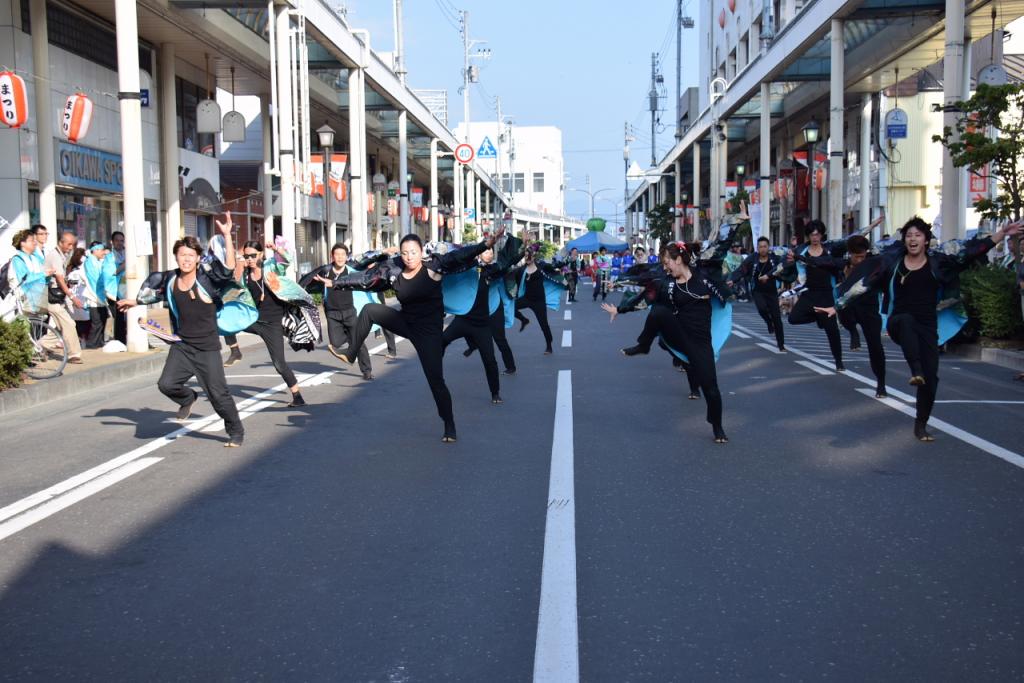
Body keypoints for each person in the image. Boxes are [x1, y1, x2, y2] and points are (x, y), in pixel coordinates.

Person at [818, 217, 1022, 441]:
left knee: (931, 380)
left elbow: (970, 252)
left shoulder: (938, 262)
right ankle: (915, 370)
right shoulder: (892, 263)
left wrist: (1001, 234)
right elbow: (864, 285)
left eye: (917, 235)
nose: (912, 239)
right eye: (909, 236)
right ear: (904, 240)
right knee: (906, 321)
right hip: (898, 322)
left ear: (926, 240)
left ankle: (921, 424)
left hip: (927, 325)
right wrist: (837, 306)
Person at [330, 230, 504, 443]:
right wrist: (337, 283)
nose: (409, 256)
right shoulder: (394, 270)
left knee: (435, 381)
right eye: (404, 253)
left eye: (413, 252)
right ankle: (351, 353)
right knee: (369, 309)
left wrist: (485, 244)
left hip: (428, 335)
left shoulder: (435, 266)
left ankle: (449, 425)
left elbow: (461, 256)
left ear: (421, 252)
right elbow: (366, 278)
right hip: (405, 323)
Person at [117, 214, 245, 447]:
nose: (186, 259)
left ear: (198, 258)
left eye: (190, 255)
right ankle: (188, 397)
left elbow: (228, 268)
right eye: (182, 255)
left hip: (207, 348)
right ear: (176, 256)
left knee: (219, 394)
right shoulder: (170, 279)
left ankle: (235, 431)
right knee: (166, 384)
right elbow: (154, 294)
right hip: (182, 345)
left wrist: (227, 235)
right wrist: (134, 302)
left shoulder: (207, 278)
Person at [603, 241, 731, 443]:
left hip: (700, 342)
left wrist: (737, 221)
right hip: (679, 333)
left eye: (667, 263)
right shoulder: (667, 283)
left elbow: (720, 248)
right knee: (659, 312)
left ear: (679, 259)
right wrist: (620, 310)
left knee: (711, 388)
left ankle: (717, 426)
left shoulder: (703, 276)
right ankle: (644, 346)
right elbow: (645, 296)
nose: (665, 267)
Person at [441, 233, 522, 404]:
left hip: (482, 325)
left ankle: (495, 393)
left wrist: (522, 250)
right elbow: (453, 262)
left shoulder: (488, 272)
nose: (489, 253)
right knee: (441, 342)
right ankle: (435, 376)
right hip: (463, 320)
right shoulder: (462, 272)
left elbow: (507, 262)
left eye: (490, 251)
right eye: (485, 251)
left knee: (490, 360)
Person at [229, 240, 307, 406]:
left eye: (252, 255)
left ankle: (297, 396)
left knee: (279, 363)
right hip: (254, 320)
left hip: (273, 324)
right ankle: (235, 351)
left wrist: (277, 249)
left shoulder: (270, 267)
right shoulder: (245, 275)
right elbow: (234, 286)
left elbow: (287, 260)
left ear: (261, 255)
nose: (249, 259)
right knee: (227, 323)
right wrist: (238, 266)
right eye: (246, 256)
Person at [304, 243, 376, 380]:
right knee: (335, 343)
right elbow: (309, 282)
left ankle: (367, 371)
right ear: (332, 256)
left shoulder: (351, 271)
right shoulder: (325, 271)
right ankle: (350, 341)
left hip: (350, 312)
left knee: (358, 342)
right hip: (332, 314)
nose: (340, 257)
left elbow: (366, 267)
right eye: (337, 254)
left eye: (343, 254)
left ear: (346, 256)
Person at [785, 220, 846, 371]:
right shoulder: (802, 252)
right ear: (808, 236)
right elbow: (786, 266)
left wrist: (871, 227)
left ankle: (839, 362)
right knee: (793, 318)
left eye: (817, 234)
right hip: (809, 293)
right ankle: (818, 317)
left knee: (832, 331)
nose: (815, 237)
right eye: (812, 234)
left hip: (826, 294)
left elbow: (850, 240)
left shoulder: (829, 250)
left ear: (821, 235)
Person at [836, 234, 887, 397]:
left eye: (863, 256)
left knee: (876, 346)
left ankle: (881, 384)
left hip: (869, 307)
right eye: (857, 257)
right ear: (850, 254)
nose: (860, 260)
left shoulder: (872, 263)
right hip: (849, 306)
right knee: (842, 311)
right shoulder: (843, 266)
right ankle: (852, 332)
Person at [728, 236, 789, 351]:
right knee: (762, 309)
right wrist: (733, 279)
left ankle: (781, 344)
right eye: (760, 247)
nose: (763, 249)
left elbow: (781, 267)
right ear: (757, 248)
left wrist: (769, 275)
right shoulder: (752, 258)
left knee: (777, 318)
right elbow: (742, 269)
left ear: (768, 247)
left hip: (771, 291)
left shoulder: (774, 258)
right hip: (758, 290)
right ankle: (768, 323)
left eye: (765, 246)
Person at [511, 244, 566, 355]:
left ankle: (549, 346)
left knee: (544, 325)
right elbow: (513, 279)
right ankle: (524, 320)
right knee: (510, 307)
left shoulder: (541, 266)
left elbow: (554, 267)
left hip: (539, 302)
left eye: (529, 256)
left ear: (534, 256)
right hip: (526, 299)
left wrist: (564, 263)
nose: (527, 258)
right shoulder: (522, 270)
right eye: (525, 256)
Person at [43, 231, 84, 364]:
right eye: (69, 244)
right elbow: (59, 279)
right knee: (69, 324)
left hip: (57, 295)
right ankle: (74, 355)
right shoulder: (55, 256)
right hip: (51, 296)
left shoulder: (63, 255)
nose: (71, 247)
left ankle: (40, 345)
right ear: (60, 243)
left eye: (73, 244)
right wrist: (72, 296)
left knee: (63, 326)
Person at [81, 241, 117, 349]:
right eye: (101, 250)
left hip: (99, 295)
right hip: (94, 295)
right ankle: (92, 343)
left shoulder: (96, 261)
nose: (103, 252)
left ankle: (99, 341)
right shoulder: (89, 262)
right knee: (97, 322)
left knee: (102, 319)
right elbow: (94, 279)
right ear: (95, 250)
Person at [109, 231, 128, 344]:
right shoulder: (110, 256)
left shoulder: (127, 253)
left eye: (122, 240)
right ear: (112, 242)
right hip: (115, 289)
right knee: (119, 316)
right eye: (117, 240)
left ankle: (125, 337)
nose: (120, 243)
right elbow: (112, 272)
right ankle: (119, 339)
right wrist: (124, 264)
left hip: (127, 288)